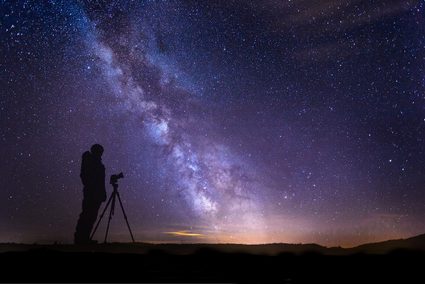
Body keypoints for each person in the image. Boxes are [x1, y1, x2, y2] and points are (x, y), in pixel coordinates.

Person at [74, 144, 107, 244]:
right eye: (100, 151)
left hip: (95, 193)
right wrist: (93, 188)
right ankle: (80, 239)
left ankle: (84, 238)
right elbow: (85, 176)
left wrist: (102, 192)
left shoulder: (96, 162)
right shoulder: (91, 161)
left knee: (91, 216)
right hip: (91, 193)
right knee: (87, 215)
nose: (101, 154)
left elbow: (101, 180)